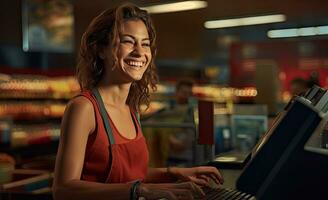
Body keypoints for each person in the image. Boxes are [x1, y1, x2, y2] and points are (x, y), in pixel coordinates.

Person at [53, 3, 223, 200]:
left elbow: (128, 176)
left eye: (145, 43)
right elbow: (63, 190)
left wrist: (172, 173)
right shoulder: (84, 108)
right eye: (128, 41)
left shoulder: (132, 109)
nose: (139, 52)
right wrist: (140, 190)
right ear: (101, 50)